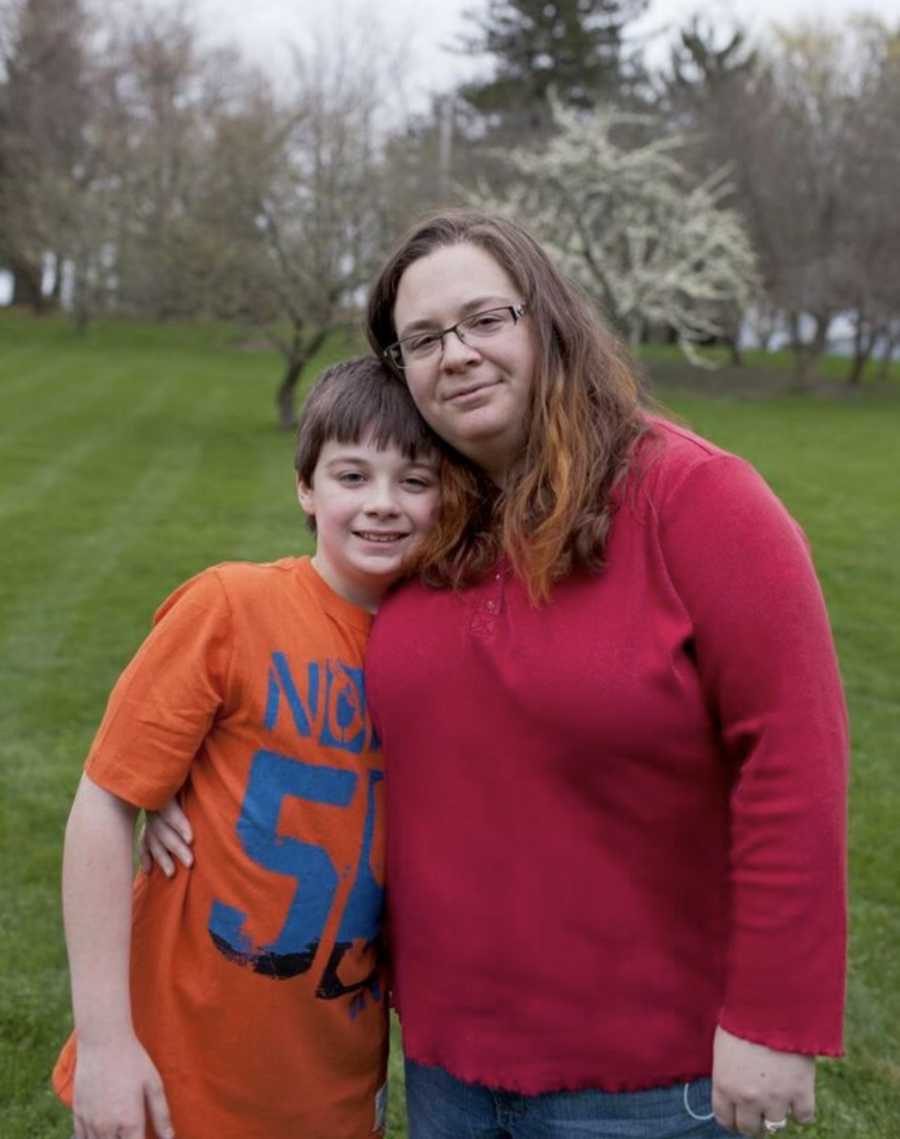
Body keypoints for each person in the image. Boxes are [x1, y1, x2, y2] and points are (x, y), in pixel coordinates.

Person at [147, 210, 849, 1139]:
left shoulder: (699, 501)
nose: (459, 354)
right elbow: (322, 675)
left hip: (644, 1081)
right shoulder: (428, 529)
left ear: (546, 319)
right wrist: (180, 777)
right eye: (425, 339)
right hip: (446, 1067)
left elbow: (795, 764)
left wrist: (774, 1016)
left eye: (485, 319)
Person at [52, 356, 445, 1139]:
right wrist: (105, 1042)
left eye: (415, 479)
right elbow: (103, 800)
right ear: (306, 486)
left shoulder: (444, 647)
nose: (382, 504)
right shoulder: (232, 607)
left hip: (332, 1085)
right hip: (170, 1076)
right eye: (352, 475)